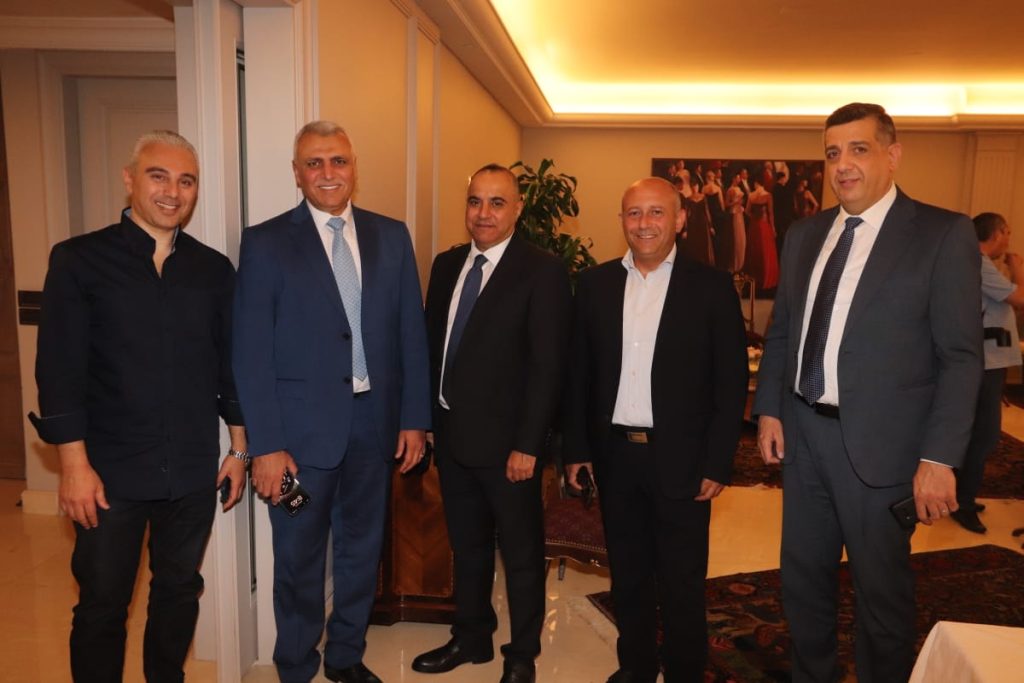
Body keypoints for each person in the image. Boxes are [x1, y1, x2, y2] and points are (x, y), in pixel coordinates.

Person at [753, 102, 982, 682]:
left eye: (859, 149)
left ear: (893, 155)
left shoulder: (941, 234)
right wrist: (770, 409)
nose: (843, 165)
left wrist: (939, 458)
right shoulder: (804, 234)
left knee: (882, 599)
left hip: (883, 452)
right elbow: (782, 332)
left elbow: (960, 357)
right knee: (803, 583)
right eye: (833, 153)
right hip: (803, 440)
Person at [29, 130, 248, 682]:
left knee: (179, 592)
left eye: (186, 181)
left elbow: (229, 366)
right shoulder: (79, 261)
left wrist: (239, 448)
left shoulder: (213, 270)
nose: (172, 192)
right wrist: (73, 468)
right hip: (108, 474)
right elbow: (58, 372)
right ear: (130, 180)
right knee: (103, 604)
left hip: (191, 470)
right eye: (159, 176)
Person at [232, 121, 431, 683]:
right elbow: (250, 354)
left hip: (374, 429)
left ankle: (345, 656)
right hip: (297, 444)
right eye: (314, 163)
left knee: (361, 552)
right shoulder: (266, 242)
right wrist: (266, 446)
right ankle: (295, 666)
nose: (327, 173)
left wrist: (415, 419)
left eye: (338, 161)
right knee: (298, 559)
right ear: (297, 173)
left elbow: (410, 334)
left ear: (353, 168)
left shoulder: (392, 236)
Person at [563, 177, 749, 683]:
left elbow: (731, 383)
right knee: (628, 576)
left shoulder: (711, 287)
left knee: (681, 580)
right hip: (615, 457)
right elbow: (578, 375)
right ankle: (637, 668)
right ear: (622, 220)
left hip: (683, 460)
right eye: (634, 213)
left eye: (656, 212)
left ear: (680, 219)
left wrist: (718, 462)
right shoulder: (595, 284)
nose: (644, 223)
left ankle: (685, 671)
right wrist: (577, 449)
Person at [414, 164, 571, 683]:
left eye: (497, 202)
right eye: (475, 201)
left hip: (510, 450)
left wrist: (529, 444)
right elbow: (432, 348)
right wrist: (426, 420)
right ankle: (472, 637)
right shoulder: (446, 265)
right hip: (452, 438)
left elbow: (549, 366)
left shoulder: (542, 270)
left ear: (518, 208)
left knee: (522, 556)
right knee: (468, 548)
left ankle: (521, 654)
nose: (484, 213)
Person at [952, 212, 1024, 533]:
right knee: (984, 434)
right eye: (1007, 232)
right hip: (985, 363)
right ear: (996, 234)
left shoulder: (975, 263)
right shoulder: (979, 264)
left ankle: (959, 495)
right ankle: (962, 502)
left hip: (988, 360)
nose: (1009, 239)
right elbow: (1020, 299)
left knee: (975, 433)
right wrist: (1018, 269)